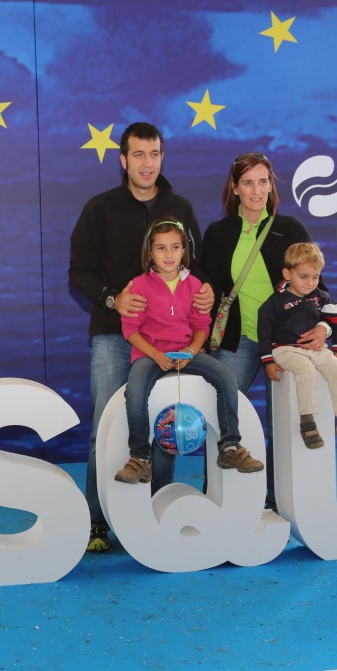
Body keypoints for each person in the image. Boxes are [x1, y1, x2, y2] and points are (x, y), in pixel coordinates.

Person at [69, 122, 213, 553]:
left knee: (166, 424)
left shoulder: (180, 207)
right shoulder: (100, 208)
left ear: (162, 157)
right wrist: (112, 299)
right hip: (115, 338)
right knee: (104, 428)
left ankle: (157, 513)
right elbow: (78, 272)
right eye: (138, 155)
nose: (147, 163)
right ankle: (96, 522)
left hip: (170, 342)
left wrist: (206, 289)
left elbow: (197, 266)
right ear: (123, 160)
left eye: (154, 154)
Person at [200, 152, 329, 509]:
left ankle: (276, 499)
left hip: (285, 342)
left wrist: (323, 326)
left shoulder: (291, 229)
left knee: (284, 423)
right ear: (234, 188)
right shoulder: (218, 233)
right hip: (238, 339)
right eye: (248, 182)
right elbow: (207, 286)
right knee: (221, 420)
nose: (256, 190)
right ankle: (215, 500)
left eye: (263, 181)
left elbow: (319, 285)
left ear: (271, 185)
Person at [114, 218, 263, 484]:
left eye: (175, 247)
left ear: (184, 250)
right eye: (161, 248)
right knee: (134, 391)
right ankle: (140, 459)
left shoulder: (195, 285)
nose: (169, 254)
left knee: (227, 377)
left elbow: (202, 326)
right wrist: (156, 355)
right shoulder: (138, 285)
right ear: (150, 252)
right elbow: (130, 330)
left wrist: (191, 351)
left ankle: (229, 447)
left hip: (187, 353)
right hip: (150, 355)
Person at [257, 242, 337, 448]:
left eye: (315, 277)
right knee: (306, 370)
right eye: (303, 277)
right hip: (284, 349)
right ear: (287, 274)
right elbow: (263, 333)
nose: (310, 283)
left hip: (316, 349)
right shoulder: (274, 302)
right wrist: (268, 361)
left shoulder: (321, 297)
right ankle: (307, 422)